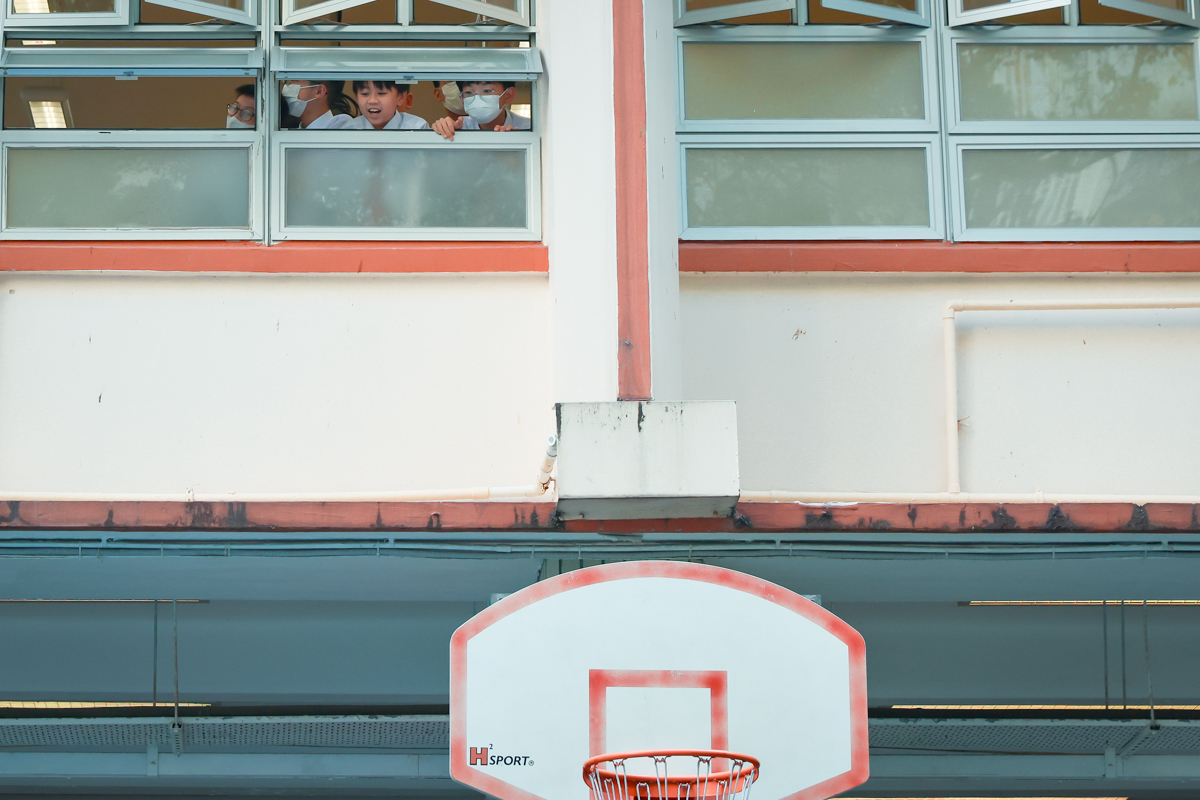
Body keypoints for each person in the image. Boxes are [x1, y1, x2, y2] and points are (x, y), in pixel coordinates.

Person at [432, 80, 529, 141]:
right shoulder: (459, 129)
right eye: (468, 92)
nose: (477, 98)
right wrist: (443, 130)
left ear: (508, 95)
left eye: (487, 91)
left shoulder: (529, 129)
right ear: (462, 99)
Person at [345, 81, 429, 130]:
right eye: (365, 93)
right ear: (356, 97)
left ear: (401, 97)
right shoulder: (348, 130)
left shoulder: (417, 128)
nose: (372, 101)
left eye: (381, 93)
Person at [281, 79, 355, 130]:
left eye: (295, 81)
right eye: (289, 82)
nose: (287, 88)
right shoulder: (292, 132)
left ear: (319, 91)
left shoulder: (341, 127)